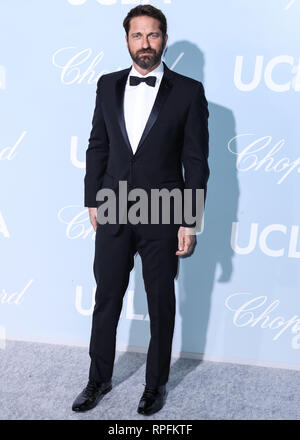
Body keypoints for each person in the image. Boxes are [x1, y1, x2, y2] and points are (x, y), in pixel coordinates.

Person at [72, 4, 209, 416]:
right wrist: (92, 198)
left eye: (152, 35)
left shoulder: (188, 91)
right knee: (107, 298)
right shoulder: (107, 84)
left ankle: (155, 385)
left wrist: (190, 219)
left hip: (164, 210)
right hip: (113, 206)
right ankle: (97, 380)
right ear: (126, 39)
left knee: (160, 302)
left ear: (163, 39)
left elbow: (197, 162)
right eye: (137, 35)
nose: (145, 44)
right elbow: (98, 144)